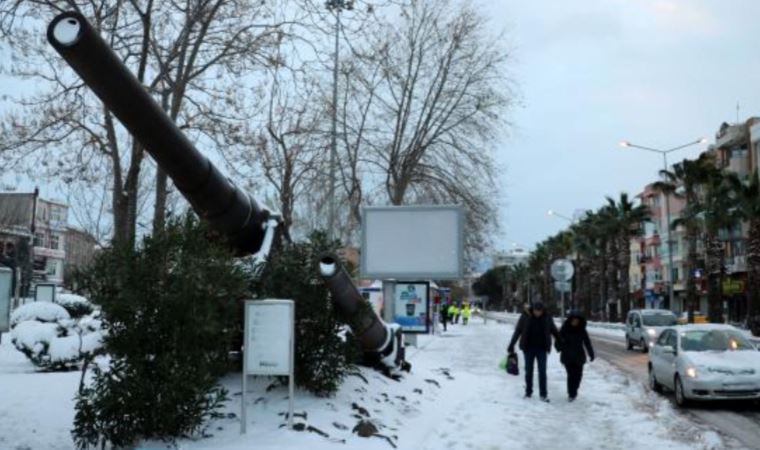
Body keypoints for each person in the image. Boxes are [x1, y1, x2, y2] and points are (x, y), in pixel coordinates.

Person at [507, 302, 560, 402]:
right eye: (536, 311)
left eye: (540, 311)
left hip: (542, 349)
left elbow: (554, 330)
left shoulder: (547, 317)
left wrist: (560, 341)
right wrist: (511, 344)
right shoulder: (525, 316)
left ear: (543, 310)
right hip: (528, 348)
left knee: (542, 372)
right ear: (533, 309)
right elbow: (518, 331)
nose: (538, 313)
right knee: (529, 371)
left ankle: (543, 394)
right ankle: (528, 392)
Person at [558, 311, 594, 401]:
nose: (575, 322)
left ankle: (574, 389)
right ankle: (571, 393)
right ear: (570, 320)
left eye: (577, 320)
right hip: (567, 355)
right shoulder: (564, 329)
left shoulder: (582, 330)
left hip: (579, 355)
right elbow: (558, 340)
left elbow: (587, 342)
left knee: (578, 375)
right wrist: (560, 346)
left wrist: (591, 353)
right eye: (573, 320)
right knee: (571, 375)